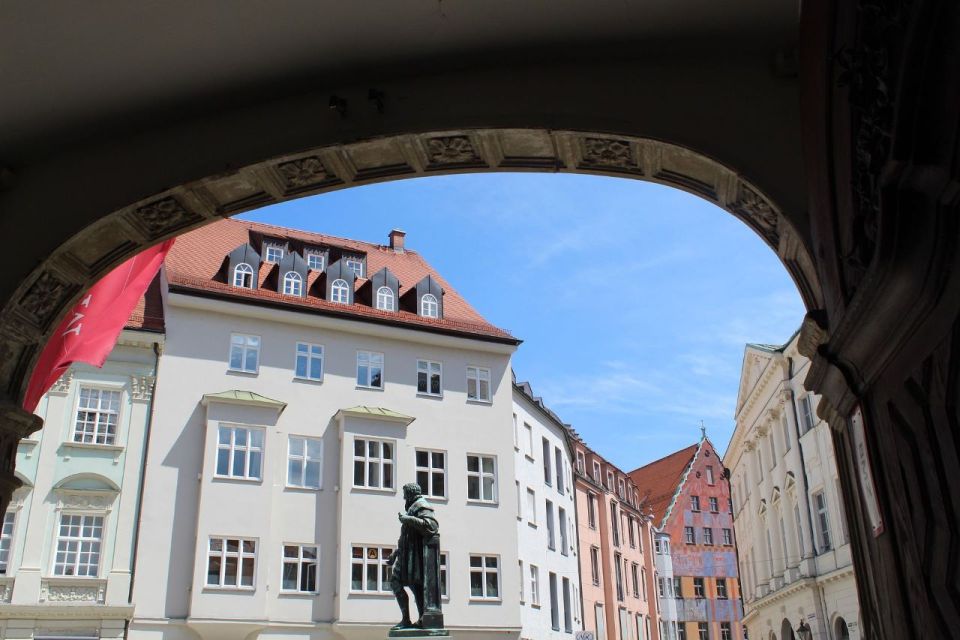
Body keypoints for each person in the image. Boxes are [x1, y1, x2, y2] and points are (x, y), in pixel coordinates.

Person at [388, 483, 441, 630]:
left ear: (411, 493)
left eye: (405, 494)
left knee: (415, 587)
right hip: (406, 555)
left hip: (416, 557)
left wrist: (408, 519)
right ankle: (408, 619)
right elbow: (406, 536)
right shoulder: (412, 507)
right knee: (399, 583)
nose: (404, 497)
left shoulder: (421, 505)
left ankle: (419, 619)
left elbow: (431, 526)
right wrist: (396, 553)